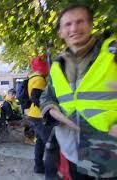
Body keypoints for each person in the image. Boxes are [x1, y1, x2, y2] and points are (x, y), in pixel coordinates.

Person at [40, 4, 117, 179]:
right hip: (71, 149)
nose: (74, 28)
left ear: (90, 25)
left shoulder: (112, 51)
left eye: (79, 21)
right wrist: (56, 113)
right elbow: (47, 97)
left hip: (108, 149)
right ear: (60, 32)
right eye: (67, 24)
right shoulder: (57, 65)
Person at [26, 55, 58, 179]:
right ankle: (52, 174)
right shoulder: (39, 79)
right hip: (39, 116)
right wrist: (49, 110)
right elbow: (36, 97)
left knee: (40, 142)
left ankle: (38, 167)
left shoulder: (32, 77)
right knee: (51, 144)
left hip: (34, 115)